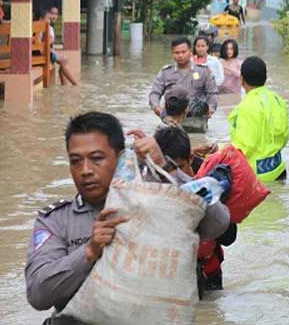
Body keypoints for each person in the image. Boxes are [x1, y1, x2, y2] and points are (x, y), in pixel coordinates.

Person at [25, 112, 230, 323]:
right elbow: (37, 295)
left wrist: (167, 169)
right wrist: (89, 251)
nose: (85, 170)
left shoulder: (160, 202)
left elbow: (219, 224)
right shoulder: (56, 220)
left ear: (121, 157)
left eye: (97, 159)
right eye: (75, 161)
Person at [154, 126, 236, 296]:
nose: (172, 177)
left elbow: (229, 237)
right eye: (164, 170)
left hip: (208, 272)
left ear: (190, 159)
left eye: (178, 168)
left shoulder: (211, 181)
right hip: (171, 277)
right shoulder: (151, 185)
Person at [229, 56, 289, 182]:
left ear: (241, 79)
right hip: (279, 169)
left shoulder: (246, 106)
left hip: (256, 178)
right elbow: (285, 136)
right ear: (265, 78)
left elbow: (244, 147)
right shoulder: (278, 100)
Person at [149, 37, 218, 118]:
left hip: (196, 118)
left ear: (190, 52)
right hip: (171, 117)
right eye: (176, 53)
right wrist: (156, 107)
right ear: (172, 54)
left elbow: (212, 93)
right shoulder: (166, 72)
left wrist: (211, 108)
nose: (180, 55)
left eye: (183, 52)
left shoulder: (203, 71)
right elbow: (154, 93)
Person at [45, 7, 79, 86]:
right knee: (64, 61)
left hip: (47, 52)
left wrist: (54, 51)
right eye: (52, 14)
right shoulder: (46, 27)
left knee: (64, 60)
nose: (54, 16)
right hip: (45, 53)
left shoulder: (50, 27)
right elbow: (46, 44)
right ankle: (74, 84)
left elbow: (48, 45)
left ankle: (65, 85)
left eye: (56, 14)